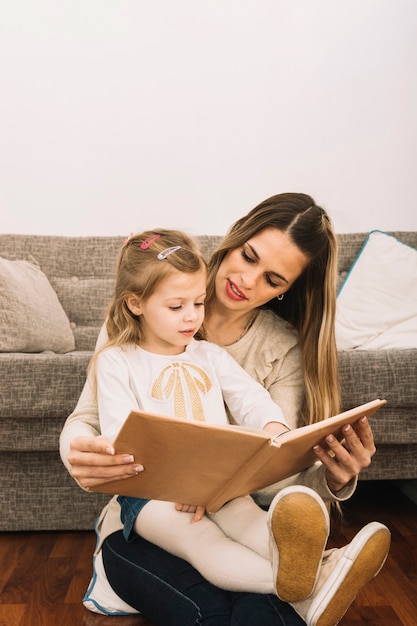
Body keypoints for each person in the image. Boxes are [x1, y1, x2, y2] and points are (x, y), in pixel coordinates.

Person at [60, 193, 390, 626]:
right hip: (158, 501)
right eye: (248, 257)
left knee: (259, 569)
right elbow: (113, 426)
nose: (249, 281)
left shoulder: (223, 353)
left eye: (273, 280)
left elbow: (264, 421)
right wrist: (80, 452)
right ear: (234, 239)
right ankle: (315, 581)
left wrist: (324, 466)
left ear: (287, 291)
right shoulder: (127, 341)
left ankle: (308, 580)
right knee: (211, 587)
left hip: (227, 496)